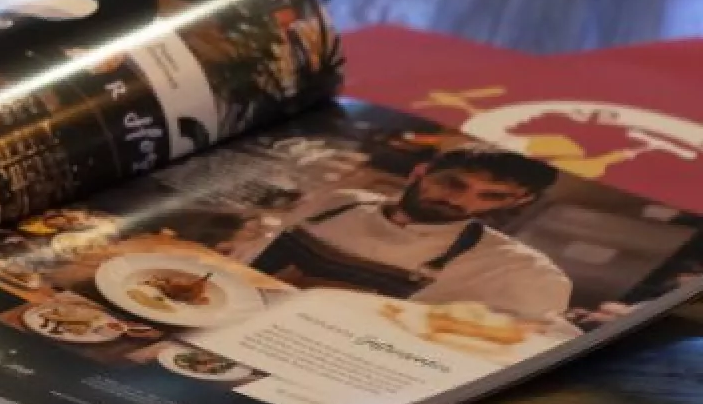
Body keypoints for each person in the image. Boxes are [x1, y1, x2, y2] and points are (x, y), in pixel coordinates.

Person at [242, 144, 573, 321]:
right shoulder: (340, 202)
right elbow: (255, 252)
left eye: (492, 196)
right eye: (451, 183)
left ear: (518, 201)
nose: (459, 201)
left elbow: (535, 336)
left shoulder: (517, 268)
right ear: (420, 172)